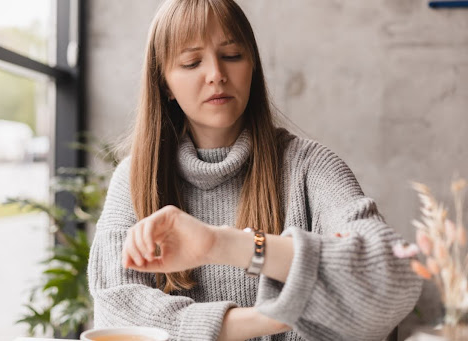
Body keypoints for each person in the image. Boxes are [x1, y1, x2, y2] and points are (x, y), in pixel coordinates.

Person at [88, 0, 422, 340]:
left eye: (232, 55)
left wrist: (221, 244)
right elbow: (116, 311)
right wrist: (267, 319)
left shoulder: (310, 167)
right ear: (164, 85)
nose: (216, 74)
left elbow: (392, 274)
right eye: (191, 62)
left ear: (253, 68)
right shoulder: (136, 179)